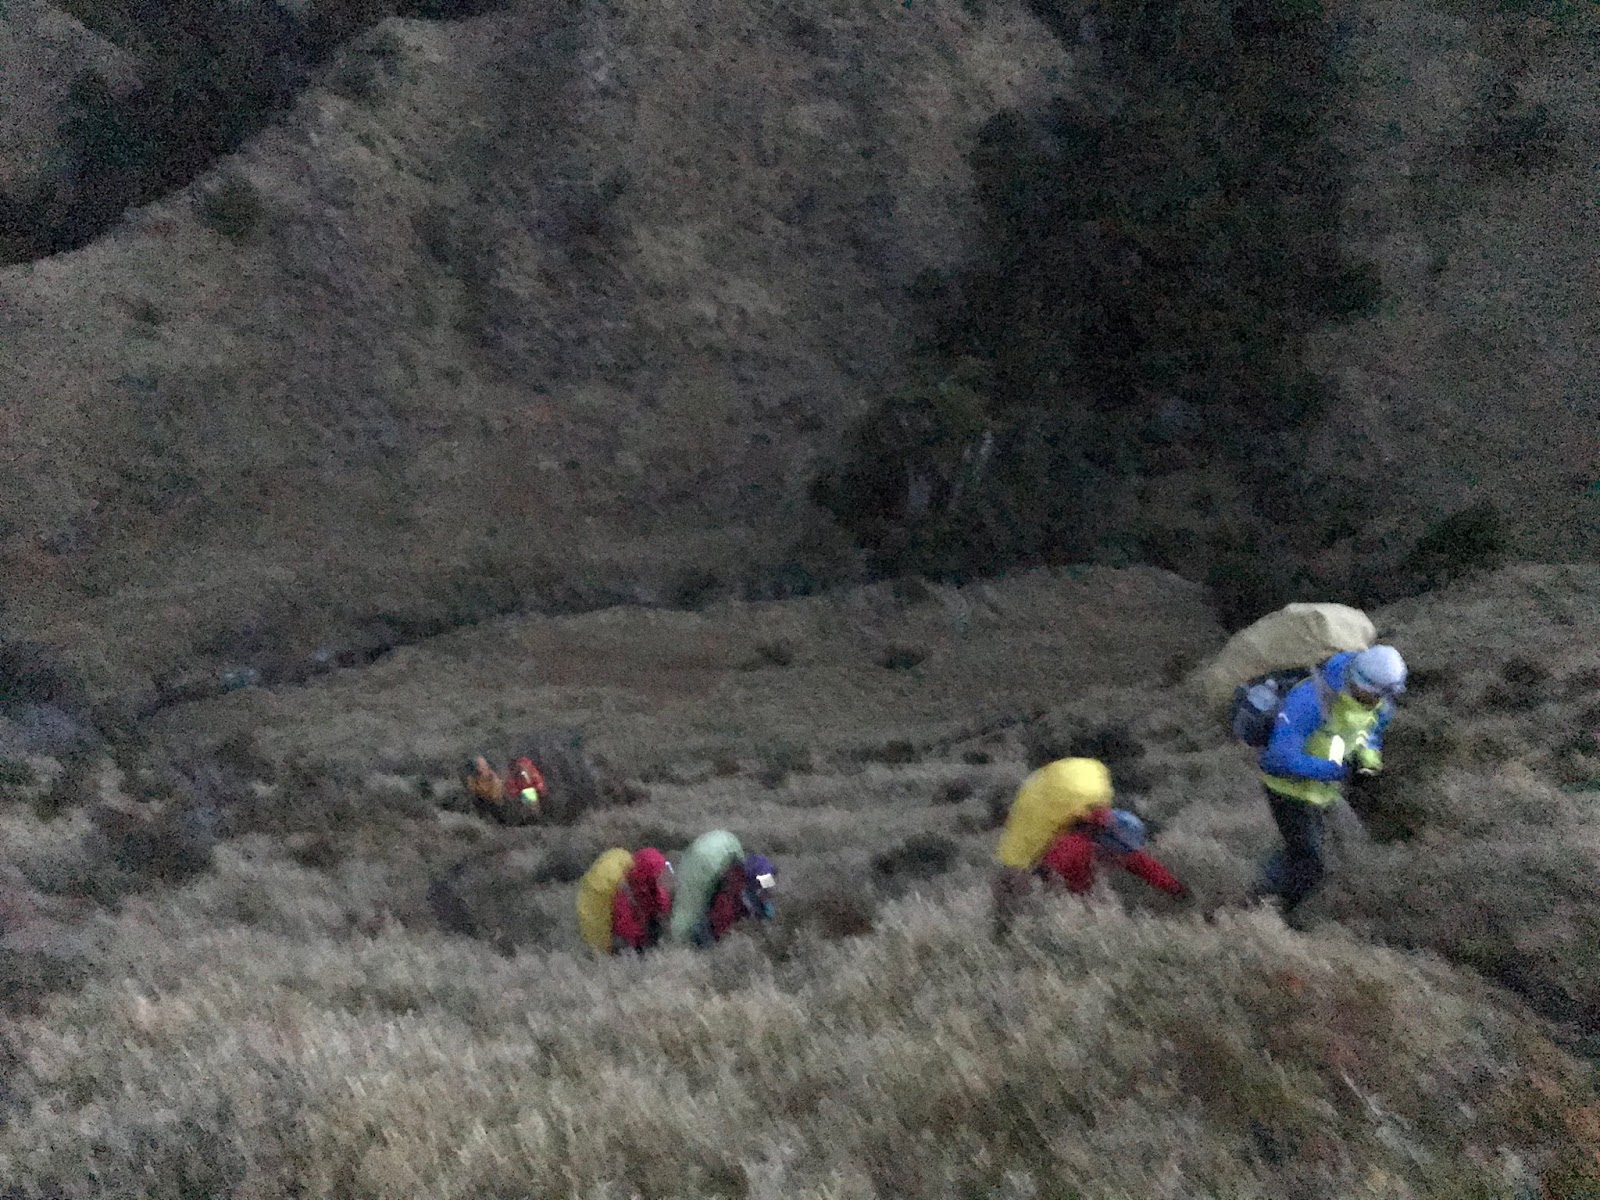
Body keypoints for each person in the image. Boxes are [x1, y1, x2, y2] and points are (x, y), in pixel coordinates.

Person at [1247, 644, 1406, 924]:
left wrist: (1368, 761)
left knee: (1351, 845)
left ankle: (1282, 881)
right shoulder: (1310, 699)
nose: (1379, 702)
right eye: (1374, 695)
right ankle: (1265, 910)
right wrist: (1332, 770)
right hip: (1289, 791)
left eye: (1383, 697)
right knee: (1310, 864)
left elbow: (1369, 734)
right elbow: (1277, 759)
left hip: (1326, 789)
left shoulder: (1380, 702)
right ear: (1359, 682)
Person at [991, 757, 1188, 940]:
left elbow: (1147, 867)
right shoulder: (1077, 845)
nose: (1121, 860)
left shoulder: (1116, 843)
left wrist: (1176, 890)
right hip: (1059, 899)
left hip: (1068, 895)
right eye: (1119, 855)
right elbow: (1047, 874)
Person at [669, 830, 777, 947]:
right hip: (711, 930)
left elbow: (765, 898)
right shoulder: (731, 894)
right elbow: (719, 924)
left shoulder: (746, 879)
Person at [576, 846, 672, 955]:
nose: (665, 876)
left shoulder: (651, 885)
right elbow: (625, 926)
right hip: (615, 924)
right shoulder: (623, 893)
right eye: (661, 873)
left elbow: (660, 902)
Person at [462, 755, 506, 821]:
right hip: (479, 806)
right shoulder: (472, 779)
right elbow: (471, 792)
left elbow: (495, 796)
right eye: (479, 766)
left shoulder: (496, 780)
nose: (481, 769)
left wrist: (495, 780)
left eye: (484, 766)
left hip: (496, 807)